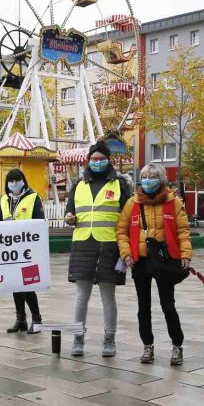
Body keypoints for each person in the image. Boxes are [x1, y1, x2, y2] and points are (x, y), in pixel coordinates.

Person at [117, 164, 192, 365]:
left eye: (152, 176)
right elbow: (122, 230)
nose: (148, 180)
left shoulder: (173, 202)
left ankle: (177, 346)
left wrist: (185, 254)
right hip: (140, 261)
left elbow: (183, 231)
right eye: (144, 176)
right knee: (143, 306)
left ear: (162, 180)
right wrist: (126, 253)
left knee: (168, 304)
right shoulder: (132, 203)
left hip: (164, 261)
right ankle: (147, 346)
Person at [65, 141, 130, 357]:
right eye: (93, 159)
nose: (97, 162)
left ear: (108, 160)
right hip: (83, 244)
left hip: (109, 246)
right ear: (88, 160)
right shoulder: (79, 184)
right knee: (81, 295)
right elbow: (69, 212)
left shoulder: (119, 184)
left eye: (101, 158)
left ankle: (109, 339)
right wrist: (70, 218)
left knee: (108, 297)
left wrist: (126, 247)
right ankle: (78, 337)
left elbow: (129, 216)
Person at [0, 168, 44, 333]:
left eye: (17, 180)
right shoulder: (4, 200)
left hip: (28, 250)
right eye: (11, 181)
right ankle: (20, 319)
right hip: (9, 250)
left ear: (23, 181)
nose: (14, 184)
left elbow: (39, 222)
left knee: (27, 284)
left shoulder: (33, 198)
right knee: (15, 284)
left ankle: (37, 319)